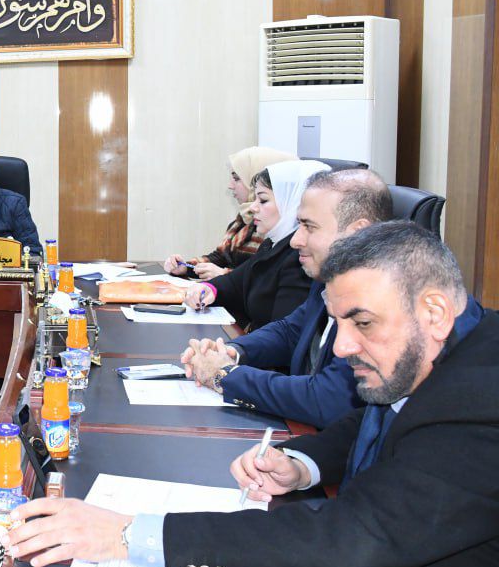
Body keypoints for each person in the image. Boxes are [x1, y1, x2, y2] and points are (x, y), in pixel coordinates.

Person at [5, 222, 496, 567]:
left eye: (362, 323)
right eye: (338, 323)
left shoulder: (483, 400)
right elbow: (376, 421)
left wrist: (129, 535)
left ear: (434, 312)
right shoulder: (443, 354)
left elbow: (352, 539)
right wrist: (301, 463)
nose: (341, 347)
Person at [180, 168, 393, 428]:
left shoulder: (381, 303)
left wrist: (227, 375)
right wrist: (232, 352)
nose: (295, 240)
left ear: (358, 232)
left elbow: (327, 399)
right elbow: (291, 331)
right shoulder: (329, 277)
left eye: (309, 227)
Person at [183, 159, 326, 331]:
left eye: (263, 200)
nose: (253, 207)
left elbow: (283, 334)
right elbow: (235, 282)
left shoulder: (299, 256)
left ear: (290, 203)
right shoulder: (271, 244)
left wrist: (235, 347)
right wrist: (208, 288)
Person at [163, 146, 296, 280]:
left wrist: (225, 275)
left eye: (237, 178)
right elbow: (221, 257)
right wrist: (186, 267)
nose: (230, 186)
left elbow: (263, 279)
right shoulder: (244, 218)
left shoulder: (277, 228)